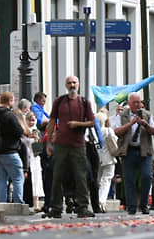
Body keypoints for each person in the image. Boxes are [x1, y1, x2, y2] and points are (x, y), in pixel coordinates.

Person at [44, 75, 96, 218]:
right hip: (61, 144)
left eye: (74, 82)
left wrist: (77, 124)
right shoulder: (59, 101)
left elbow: (92, 122)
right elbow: (52, 121)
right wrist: (48, 142)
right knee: (57, 176)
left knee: (81, 177)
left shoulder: (84, 102)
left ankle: (83, 208)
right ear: (66, 85)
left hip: (78, 145)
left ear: (78, 84)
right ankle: (55, 208)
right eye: (69, 83)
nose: (72, 85)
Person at [114, 92, 154, 214]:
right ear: (129, 103)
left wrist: (145, 124)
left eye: (139, 102)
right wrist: (131, 123)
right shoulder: (122, 116)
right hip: (128, 151)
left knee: (146, 176)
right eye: (135, 102)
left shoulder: (147, 115)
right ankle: (131, 206)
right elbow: (117, 131)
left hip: (144, 151)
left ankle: (144, 204)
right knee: (129, 179)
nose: (137, 105)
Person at [0, 92, 25, 204]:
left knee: (2, 178)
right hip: (10, 151)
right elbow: (19, 131)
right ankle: (19, 203)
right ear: (10, 100)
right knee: (18, 178)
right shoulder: (9, 115)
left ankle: (2, 203)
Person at [95, 110, 117, 212]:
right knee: (106, 180)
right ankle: (102, 200)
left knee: (99, 180)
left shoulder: (93, 132)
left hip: (97, 158)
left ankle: (98, 200)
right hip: (108, 158)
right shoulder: (108, 130)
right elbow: (115, 141)